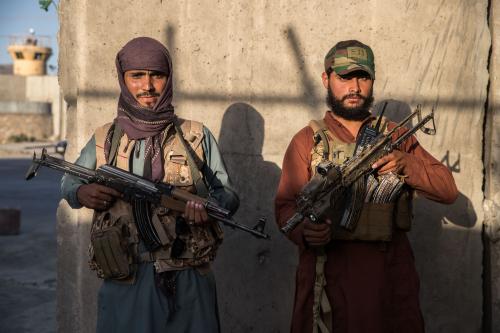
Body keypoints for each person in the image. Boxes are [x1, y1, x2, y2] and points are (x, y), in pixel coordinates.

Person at [275, 40, 458, 333]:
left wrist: (404, 164)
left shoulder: (395, 135)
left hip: (388, 278)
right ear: (326, 79)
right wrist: (306, 233)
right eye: (345, 77)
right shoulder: (308, 141)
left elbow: (448, 190)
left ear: (373, 81)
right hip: (329, 279)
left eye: (363, 77)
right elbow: (285, 208)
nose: (355, 87)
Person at [61, 37, 239, 333]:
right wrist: (82, 192)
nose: (148, 86)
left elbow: (227, 193)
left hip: (188, 275)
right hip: (126, 279)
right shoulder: (106, 138)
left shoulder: (195, 135)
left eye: (157, 75)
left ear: (168, 78)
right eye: (137, 76)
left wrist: (210, 207)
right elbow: (70, 180)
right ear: (123, 79)